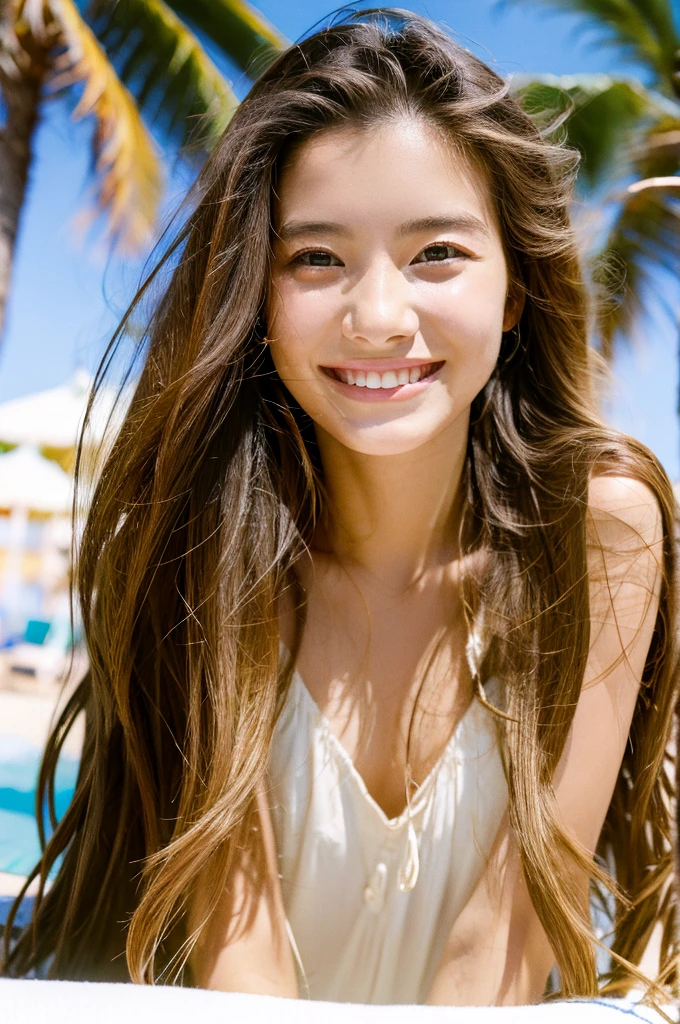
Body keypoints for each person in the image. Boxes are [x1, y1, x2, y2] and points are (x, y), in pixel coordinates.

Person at [2, 6, 678, 1007]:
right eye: (314, 258)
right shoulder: (211, 532)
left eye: (435, 253)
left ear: (515, 288)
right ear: (259, 294)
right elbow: (245, 967)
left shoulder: (600, 527)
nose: (376, 316)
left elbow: (498, 941)